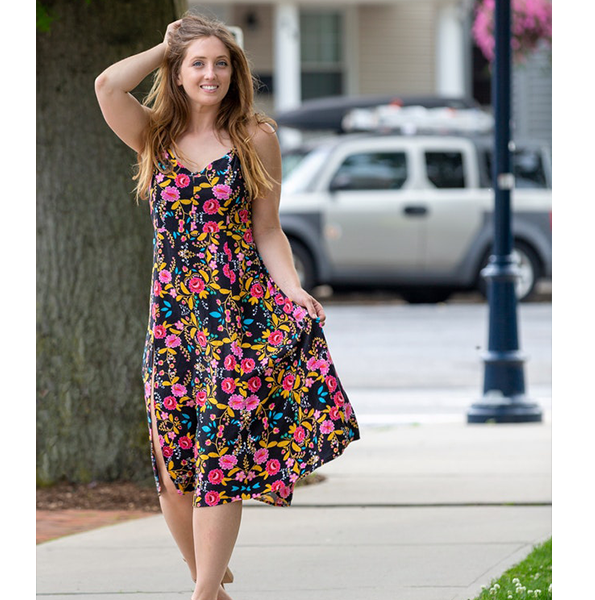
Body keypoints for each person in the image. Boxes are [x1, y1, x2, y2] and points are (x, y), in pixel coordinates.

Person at [94, 13, 360, 600]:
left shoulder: (255, 138)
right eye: (197, 63)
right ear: (178, 73)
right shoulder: (154, 136)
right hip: (170, 324)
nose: (210, 73)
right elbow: (108, 86)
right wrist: (165, 44)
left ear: (234, 71)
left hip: (236, 320)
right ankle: (212, 582)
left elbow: (269, 230)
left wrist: (290, 287)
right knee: (171, 471)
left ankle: (203, 592)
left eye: (220, 63)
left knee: (219, 462)